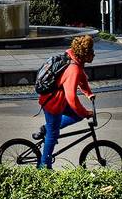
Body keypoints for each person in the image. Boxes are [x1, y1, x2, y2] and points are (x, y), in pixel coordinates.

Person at [34, 34, 97, 168]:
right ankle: (44, 167)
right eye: (91, 52)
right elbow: (72, 98)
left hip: (58, 99)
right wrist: (85, 112)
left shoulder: (74, 59)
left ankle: (46, 128)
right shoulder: (73, 69)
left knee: (76, 115)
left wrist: (88, 93)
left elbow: (82, 78)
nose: (94, 54)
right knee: (53, 134)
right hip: (53, 103)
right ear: (84, 54)